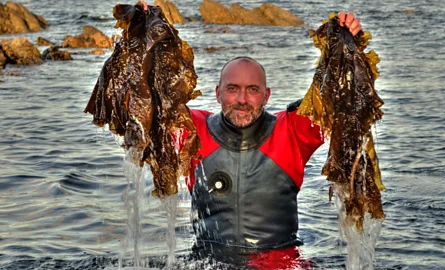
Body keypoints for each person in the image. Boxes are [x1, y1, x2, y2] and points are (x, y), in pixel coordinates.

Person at [140, 2, 362, 267]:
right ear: (218, 93)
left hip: (280, 262)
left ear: (266, 96)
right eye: (233, 88)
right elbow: (148, 102)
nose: (242, 99)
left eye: (253, 90)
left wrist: (347, 42)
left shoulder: (291, 130)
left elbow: (338, 98)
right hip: (207, 262)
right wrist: (146, 31)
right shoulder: (192, 130)